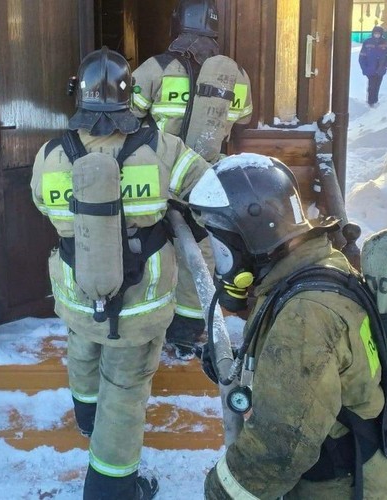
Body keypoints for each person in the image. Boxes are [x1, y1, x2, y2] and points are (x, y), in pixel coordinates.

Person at [30, 46, 209, 500]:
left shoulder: (50, 154)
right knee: (125, 394)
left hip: (78, 292)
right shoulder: (162, 148)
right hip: (140, 302)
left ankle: (89, 423)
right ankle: (111, 489)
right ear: (130, 94)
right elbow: (209, 191)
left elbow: (40, 206)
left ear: (80, 93)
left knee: (84, 355)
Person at [187, 154, 387, 499]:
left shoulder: (305, 316)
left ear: (249, 234)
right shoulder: (321, 265)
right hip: (356, 468)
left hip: (336, 490)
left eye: (220, 243)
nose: (219, 257)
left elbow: (277, 451)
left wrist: (218, 492)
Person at [131, 0, 254, 359]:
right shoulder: (237, 75)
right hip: (204, 180)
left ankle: (142, 325)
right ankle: (185, 335)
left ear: (177, 26)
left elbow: (128, 114)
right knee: (199, 257)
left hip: (157, 177)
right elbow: (243, 118)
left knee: (147, 251)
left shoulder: (155, 68)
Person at [358, 25, 387, 107]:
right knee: (371, 86)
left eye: (378, 33)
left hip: (381, 69)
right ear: (373, 33)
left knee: (377, 85)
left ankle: (375, 101)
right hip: (370, 69)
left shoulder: (385, 42)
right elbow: (362, 57)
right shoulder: (367, 42)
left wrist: (386, 66)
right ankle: (370, 102)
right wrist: (364, 68)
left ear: (381, 34)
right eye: (375, 33)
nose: (377, 35)